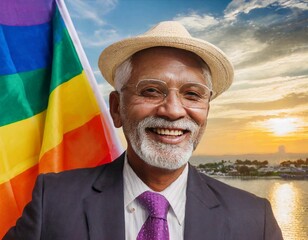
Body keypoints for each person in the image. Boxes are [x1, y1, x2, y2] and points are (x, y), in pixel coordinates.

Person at [4, 21, 283, 240]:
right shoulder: (53, 199)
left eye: (192, 95)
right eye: (151, 91)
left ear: (206, 110)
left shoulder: (254, 219)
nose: (173, 110)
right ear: (116, 108)